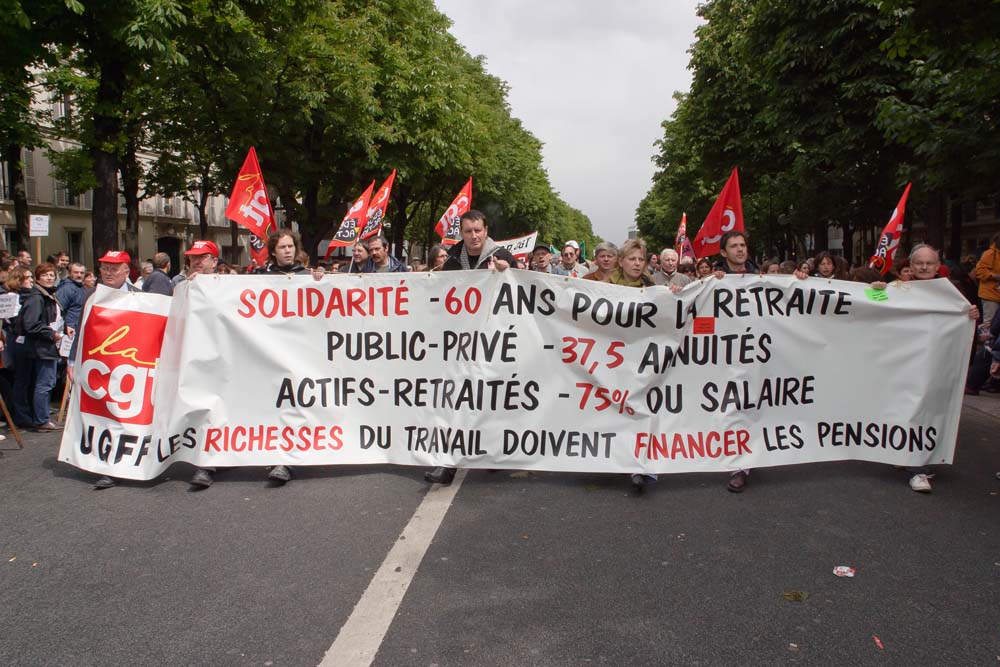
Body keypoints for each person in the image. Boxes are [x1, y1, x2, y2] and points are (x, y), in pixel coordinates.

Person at [426, 210, 515, 485]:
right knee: (456, 401)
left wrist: (507, 272)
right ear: (461, 233)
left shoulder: (503, 257)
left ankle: (493, 452)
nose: (474, 236)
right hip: (460, 346)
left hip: (494, 345)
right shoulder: (452, 261)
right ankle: (448, 464)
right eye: (468, 231)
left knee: (490, 401)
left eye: (478, 230)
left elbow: (525, 288)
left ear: (486, 230)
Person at [899, 244, 980, 492]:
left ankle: (917, 467)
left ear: (938, 266)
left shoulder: (953, 292)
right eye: (919, 263)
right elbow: (870, 302)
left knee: (925, 410)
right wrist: (877, 291)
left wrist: (971, 316)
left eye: (929, 263)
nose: (924, 267)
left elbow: (966, 319)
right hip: (904, 364)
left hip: (935, 365)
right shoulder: (898, 290)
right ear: (911, 266)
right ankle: (912, 462)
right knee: (907, 409)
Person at [67, 251, 140, 489]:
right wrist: (72, 361)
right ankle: (108, 466)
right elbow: (82, 330)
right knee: (103, 416)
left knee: (127, 417)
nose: (108, 273)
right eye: (105, 268)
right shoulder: (91, 296)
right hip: (100, 367)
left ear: (126, 272)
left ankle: (128, 461)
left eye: (114, 268)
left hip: (132, 368)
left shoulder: (142, 297)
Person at [12, 263, 66, 431]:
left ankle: (40, 417)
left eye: (52, 275)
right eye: (45, 275)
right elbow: (31, 324)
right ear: (38, 277)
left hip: (45, 345)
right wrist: (52, 334)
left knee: (43, 382)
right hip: (42, 346)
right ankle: (42, 419)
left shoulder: (47, 295)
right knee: (45, 383)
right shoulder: (37, 298)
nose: (49, 278)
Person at [974, 232, 1000, 325]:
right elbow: (979, 271)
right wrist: (995, 276)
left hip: (996, 293)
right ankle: (987, 339)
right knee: (989, 323)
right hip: (990, 295)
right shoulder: (990, 253)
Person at [55, 262, 87, 335]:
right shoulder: (66, 289)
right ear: (69, 273)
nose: (79, 275)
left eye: (82, 273)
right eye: (76, 272)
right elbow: (58, 310)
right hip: (70, 331)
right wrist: (66, 326)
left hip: (79, 329)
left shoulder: (81, 288)